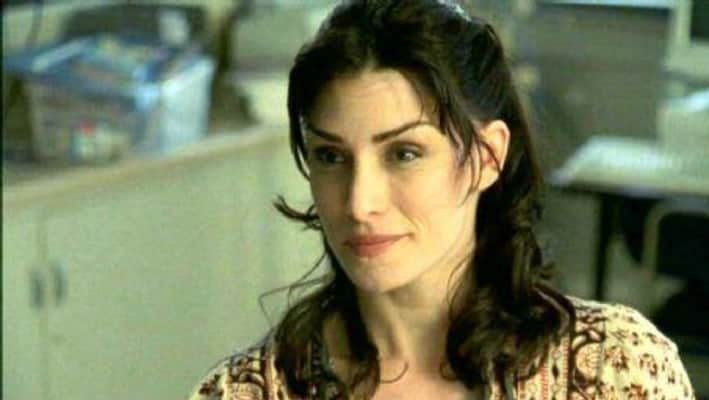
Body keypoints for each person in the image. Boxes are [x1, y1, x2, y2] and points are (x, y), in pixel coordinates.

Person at [188, 1, 696, 399]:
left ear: (488, 156)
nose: (360, 203)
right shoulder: (242, 392)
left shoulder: (618, 372)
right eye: (331, 156)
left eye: (404, 154)